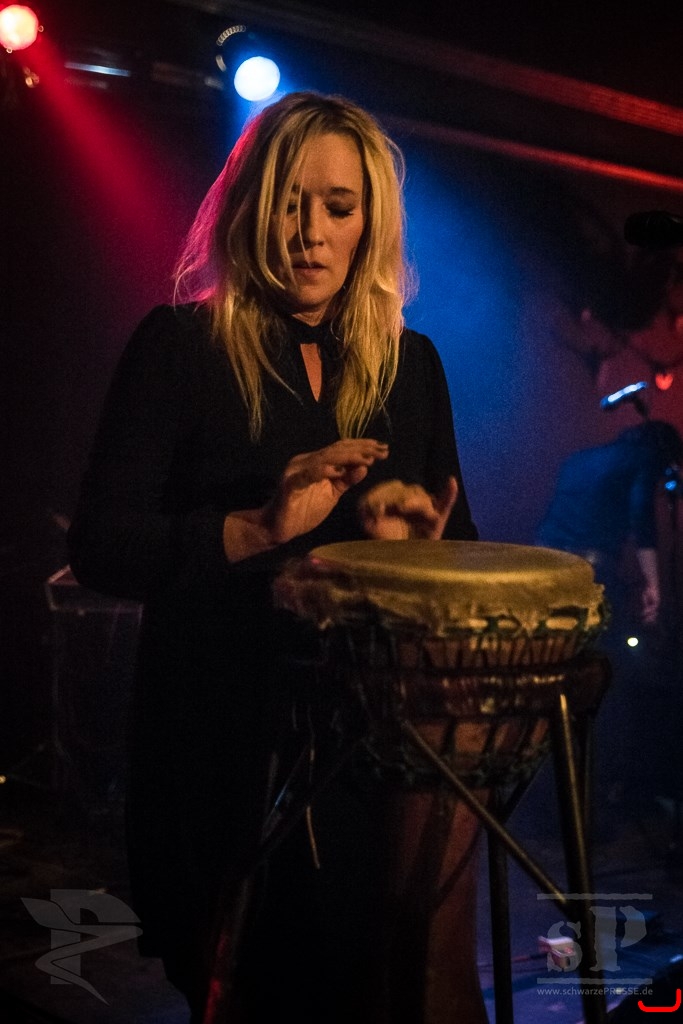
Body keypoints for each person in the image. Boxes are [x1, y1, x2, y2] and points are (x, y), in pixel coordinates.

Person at [67, 91, 478, 1022]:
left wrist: (412, 557)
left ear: (371, 222)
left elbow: (455, 550)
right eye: (290, 203)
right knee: (243, 990)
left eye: (338, 206)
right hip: (219, 741)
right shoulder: (180, 346)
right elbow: (101, 546)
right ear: (248, 207)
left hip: (368, 751)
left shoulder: (410, 364)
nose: (310, 233)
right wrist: (256, 528)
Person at [535, 419, 683, 630]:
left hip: (546, 556)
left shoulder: (581, 457)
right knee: (601, 631)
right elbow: (641, 516)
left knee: (554, 631)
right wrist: (653, 584)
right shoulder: (645, 458)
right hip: (590, 562)